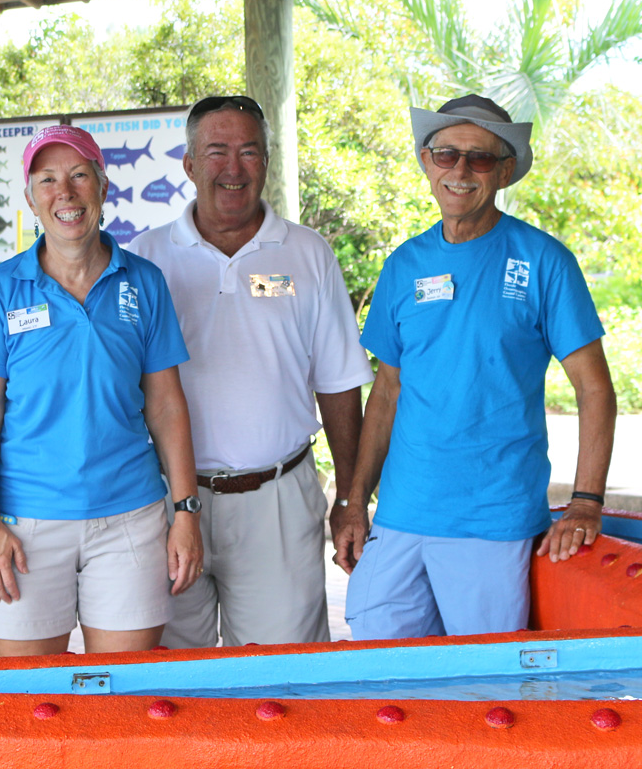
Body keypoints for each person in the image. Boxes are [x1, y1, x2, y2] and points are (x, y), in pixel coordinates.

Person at [338, 94, 616, 639]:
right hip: (400, 516)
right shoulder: (404, 264)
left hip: (493, 522)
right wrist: (352, 501)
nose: (460, 170)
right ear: (426, 161)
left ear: (505, 171)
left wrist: (585, 503)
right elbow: (388, 391)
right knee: (384, 685)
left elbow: (594, 389)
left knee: (481, 695)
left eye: (480, 158)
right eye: (446, 154)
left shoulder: (543, 260)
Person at [128, 95, 373, 648]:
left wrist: (351, 500)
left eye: (249, 152)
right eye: (216, 151)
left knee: (283, 683)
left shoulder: (307, 255)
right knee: (167, 679)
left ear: (267, 161)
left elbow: (338, 383)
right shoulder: (145, 260)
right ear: (189, 164)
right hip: (164, 502)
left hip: (278, 501)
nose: (233, 168)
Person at [0, 125, 203, 657]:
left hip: (130, 519)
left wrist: (185, 511)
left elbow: (166, 405)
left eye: (78, 176)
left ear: (102, 185)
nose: (64, 193)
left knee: (121, 703)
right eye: (47, 180)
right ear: (29, 198)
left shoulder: (143, 282)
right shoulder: (2, 287)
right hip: (23, 523)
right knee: (31, 705)